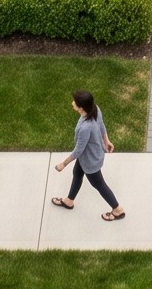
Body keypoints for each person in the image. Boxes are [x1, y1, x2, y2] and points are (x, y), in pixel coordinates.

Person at [52, 88, 124, 220]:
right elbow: (102, 126)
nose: (72, 103)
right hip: (87, 156)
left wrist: (63, 164)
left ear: (81, 108)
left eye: (75, 102)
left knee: (99, 184)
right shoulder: (95, 109)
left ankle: (117, 210)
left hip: (90, 161)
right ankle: (69, 201)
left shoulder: (85, 127)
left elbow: (78, 150)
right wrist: (107, 141)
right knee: (77, 174)